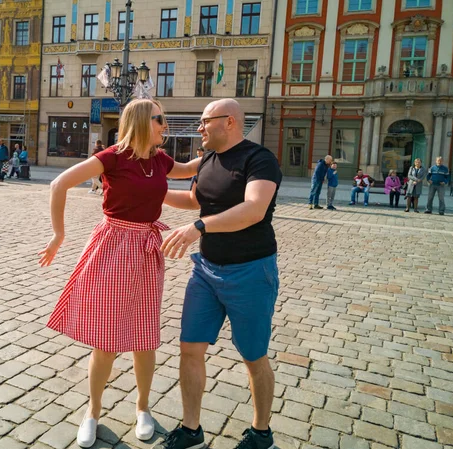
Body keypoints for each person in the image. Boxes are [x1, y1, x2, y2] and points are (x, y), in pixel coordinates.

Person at [39, 99, 200, 448]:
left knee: (145, 335)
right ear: (143, 121)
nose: (165, 125)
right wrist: (58, 234)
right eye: (159, 119)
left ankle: (143, 408)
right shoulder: (112, 156)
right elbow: (59, 184)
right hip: (112, 248)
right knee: (106, 339)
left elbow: (189, 170)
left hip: (145, 251)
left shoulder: (159, 160)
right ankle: (93, 412)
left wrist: (225, 150)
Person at [157, 99, 282, 449]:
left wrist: (198, 228)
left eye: (204, 121)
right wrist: (151, 195)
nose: (199, 128)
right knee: (189, 348)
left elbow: (254, 210)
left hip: (251, 272)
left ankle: (261, 432)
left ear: (228, 122)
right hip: (206, 271)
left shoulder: (259, 160)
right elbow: (196, 198)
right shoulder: (209, 158)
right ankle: (192, 428)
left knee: (253, 355)